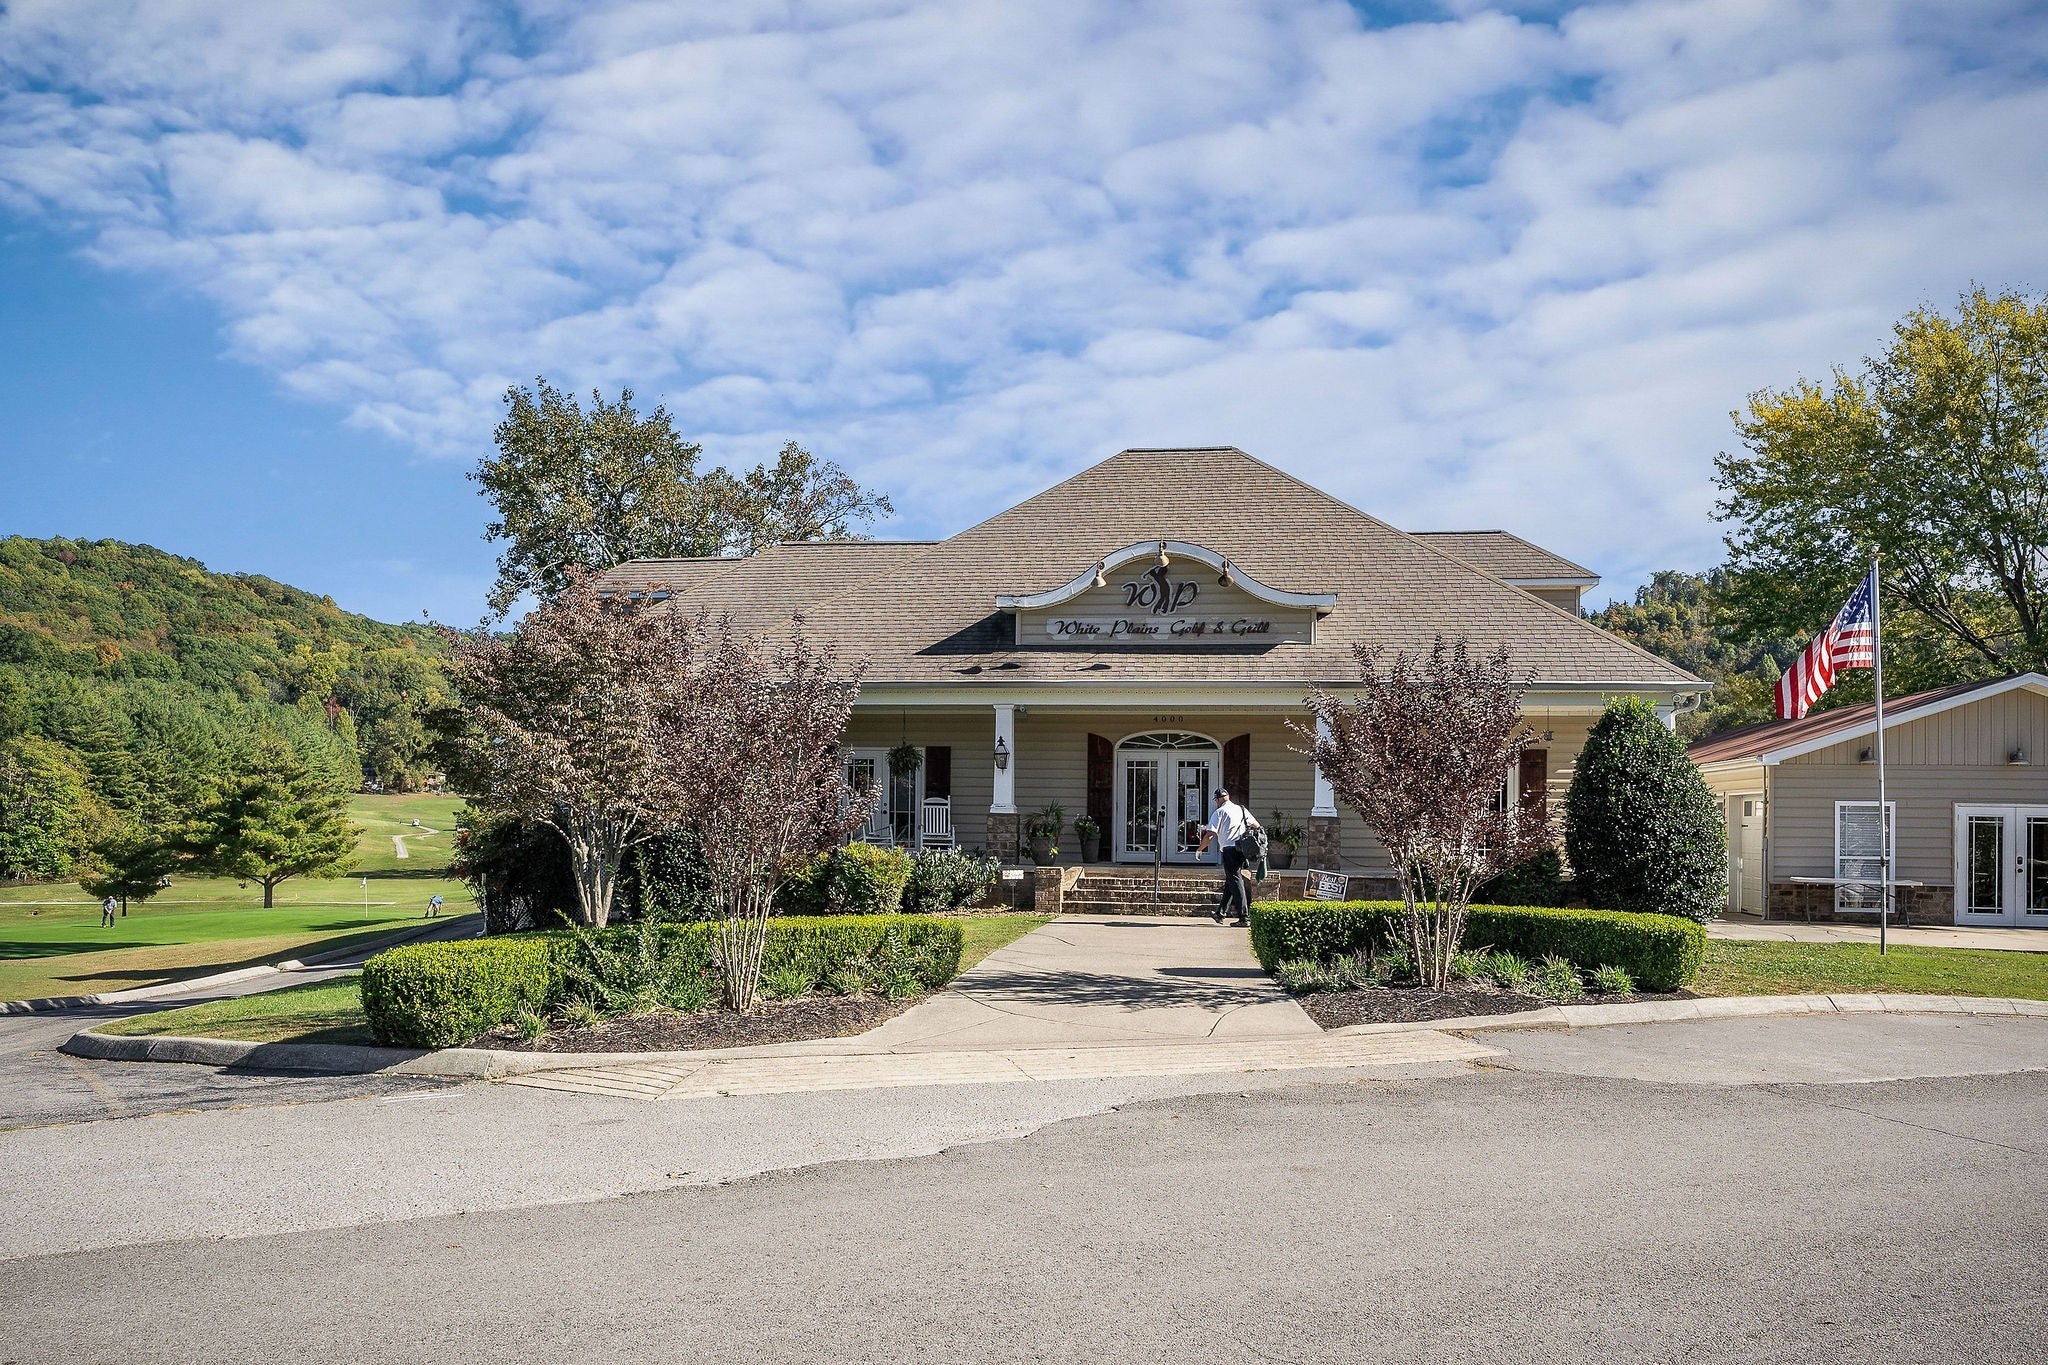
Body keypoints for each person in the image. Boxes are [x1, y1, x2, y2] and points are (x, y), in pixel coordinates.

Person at [1195, 787, 1260, 926]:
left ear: (1218, 799)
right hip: (1242, 850)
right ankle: (1220, 913)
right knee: (1232, 880)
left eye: (1216, 800)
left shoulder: (1219, 812)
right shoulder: (1241, 809)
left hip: (1229, 850)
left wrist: (1200, 849)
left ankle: (1244, 917)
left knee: (1236, 881)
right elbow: (1256, 825)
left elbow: (1210, 835)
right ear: (1228, 797)